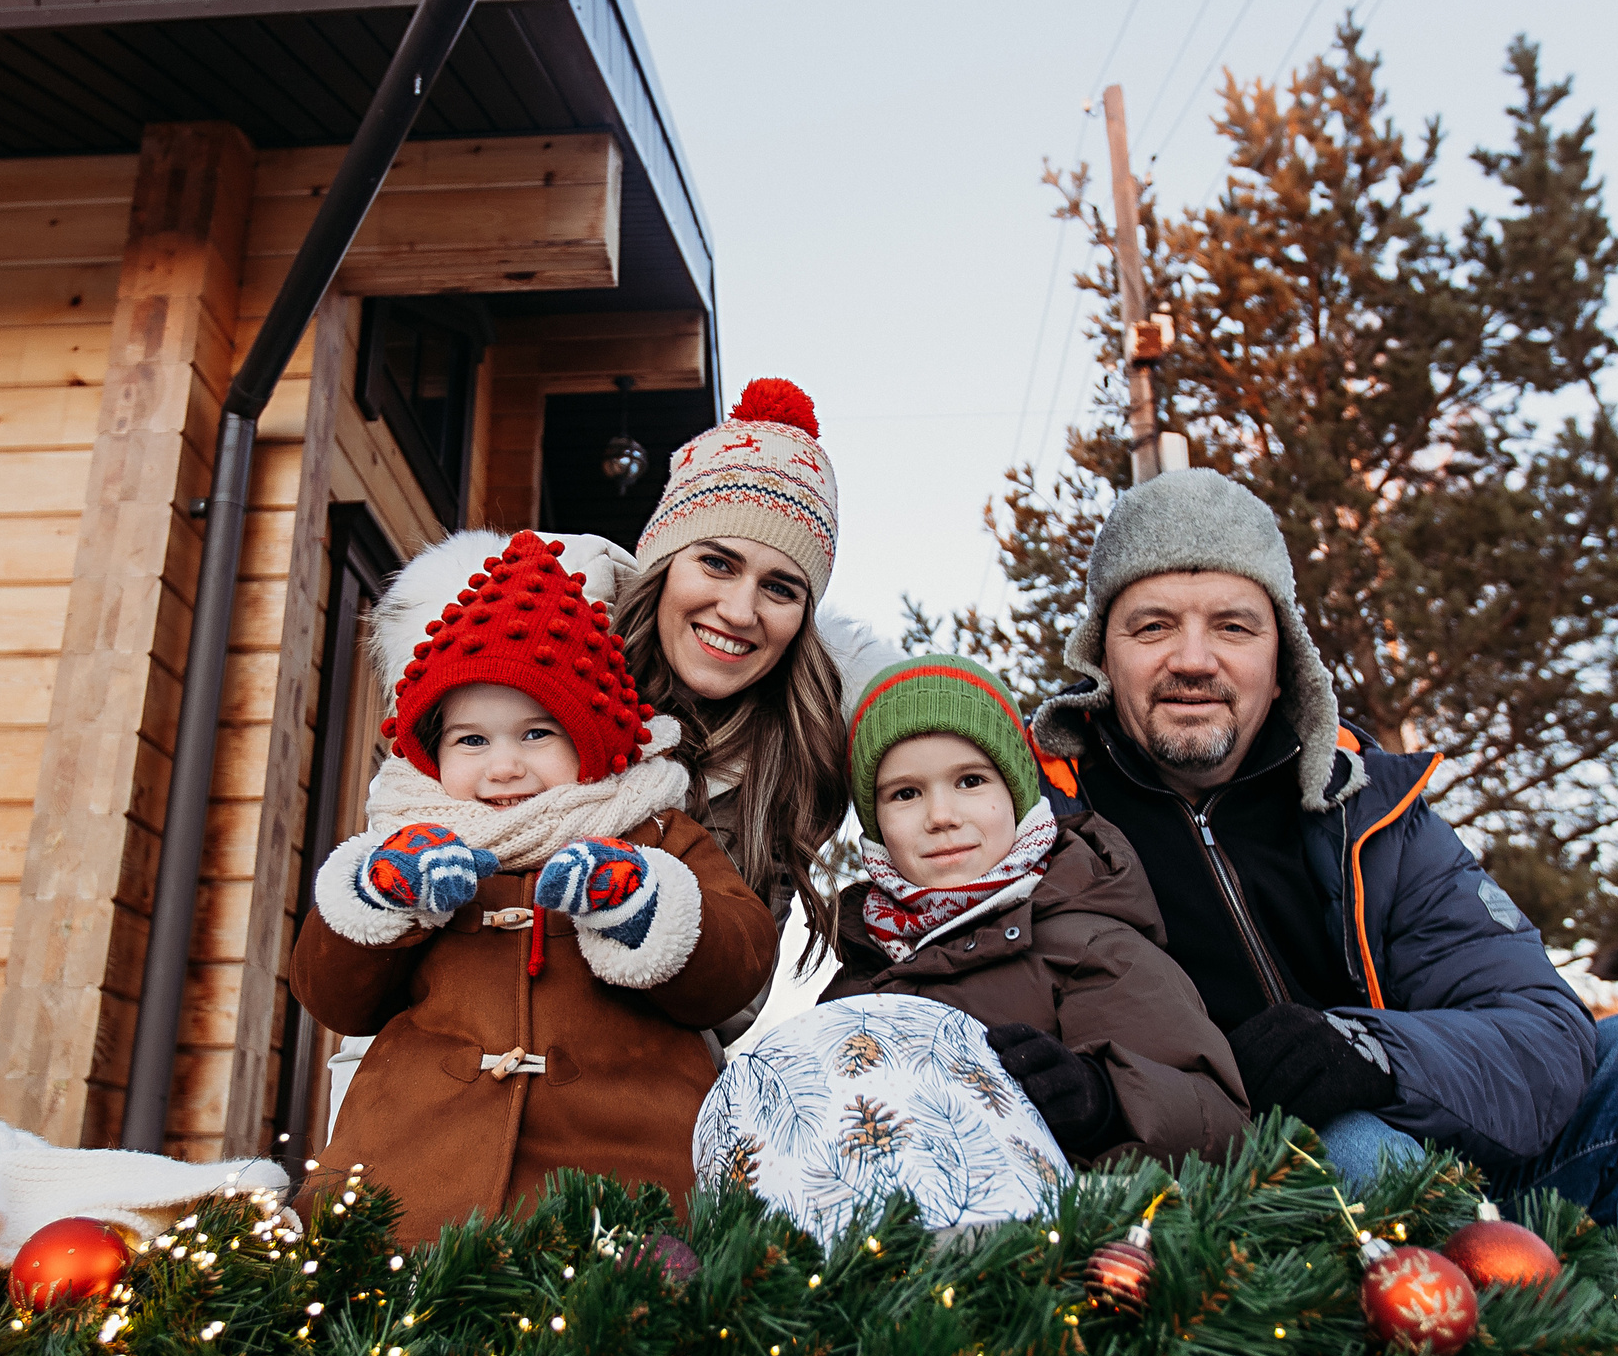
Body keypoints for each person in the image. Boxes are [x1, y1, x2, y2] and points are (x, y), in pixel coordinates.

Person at [1029, 468, 1618, 1239]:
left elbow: (1543, 1030)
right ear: (1101, 661)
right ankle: (1505, 1335)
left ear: (1282, 664)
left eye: (1233, 626)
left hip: (1444, 1149)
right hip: (1208, 1207)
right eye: (1152, 627)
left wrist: (1366, 1050)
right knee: (1349, 1149)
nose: (1192, 658)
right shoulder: (1038, 826)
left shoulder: (1371, 814)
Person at [291, 531, 778, 1245]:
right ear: (433, 748)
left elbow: (739, 961)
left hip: (620, 1190)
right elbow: (333, 997)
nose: (503, 768)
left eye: (536, 733)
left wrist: (647, 907)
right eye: (472, 740)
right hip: (408, 1187)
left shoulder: (648, 831)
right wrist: (380, 899)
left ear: (591, 741)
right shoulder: (408, 840)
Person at [818, 656, 1250, 1164]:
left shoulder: (1088, 941)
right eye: (906, 793)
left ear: (1016, 793)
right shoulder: (862, 979)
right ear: (876, 824)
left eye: (970, 781)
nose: (941, 816)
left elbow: (1218, 1121)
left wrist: (1102, 1103)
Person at [609, 379, 901, 1031]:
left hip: (646, 1105)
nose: (740, 612)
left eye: (780, 587)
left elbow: (735, 1010)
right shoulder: (534, 690)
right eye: (716, 563)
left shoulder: (800, 757)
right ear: (663, 560)